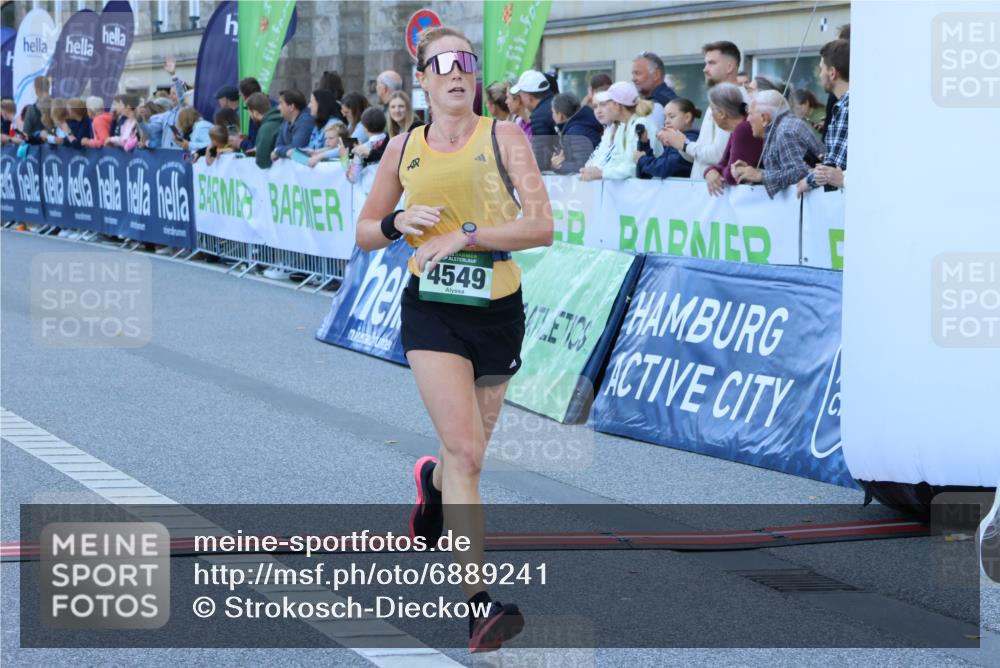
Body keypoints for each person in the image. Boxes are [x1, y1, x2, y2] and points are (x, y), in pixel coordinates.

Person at [355, 26, 551, 653]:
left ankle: (432, 485)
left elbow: (540, 226)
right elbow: (363, 231)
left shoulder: (505, 135)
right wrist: (394, 222)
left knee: (467, 458)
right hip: (432, 310)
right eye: (441, 63)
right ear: (423, 78)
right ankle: (479, 606)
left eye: (465, 60)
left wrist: (465, 235)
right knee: (467, 453)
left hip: (498, 308)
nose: (455, 71)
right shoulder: (402, 149)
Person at [667, 41, 745, 179]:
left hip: (716, 193)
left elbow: (719, 155)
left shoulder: (733, 100)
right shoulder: (718, 99)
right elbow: (700, 157)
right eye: (706, 63)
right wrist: (678, 142)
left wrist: (686, 145)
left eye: (712, 63)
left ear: (729, 67)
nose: (705, 69)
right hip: (703, 192)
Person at [731, 90, 823, 198]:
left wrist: (760, 175)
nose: (748, 119)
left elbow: (801, 173)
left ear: (764, 118)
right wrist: (753, 173)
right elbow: (788, 171)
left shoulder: (785, 132)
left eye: (751, 113)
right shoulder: (782, 126)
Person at [579, 81, 662, 181]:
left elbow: (635, 166)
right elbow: (617, 161)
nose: (601, 110)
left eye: (606, 104)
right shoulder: (622, 126)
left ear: (617, 105)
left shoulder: (642, 124)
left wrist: (602, 173)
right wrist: (595, 171)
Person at [801, 38, 849, 193]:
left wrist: (806, 182)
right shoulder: (845, 104)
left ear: (832, 73)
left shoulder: (846, 106)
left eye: (821, 68)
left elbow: (835, 166)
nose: (820, 74)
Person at [700, 83, 761, 195]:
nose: (711, 116)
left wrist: (718, 172)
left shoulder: (744, 128)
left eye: (712, 110)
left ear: (722, 113)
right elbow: (723, 163)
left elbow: (734, 175)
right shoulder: (738, 128)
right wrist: (710, 171)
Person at [636, 98, 701, 179]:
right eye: (665, 118)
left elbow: (664, 168)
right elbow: (652, 171)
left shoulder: (691, 140)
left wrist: (642, 159)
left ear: (687, 117)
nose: (666, 121)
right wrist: (645, 144)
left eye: (671, 116)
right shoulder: (672, 141)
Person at [510, 70, 556, 170]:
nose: (521, 99)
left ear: (529, 97)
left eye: (521, 95)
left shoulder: (539, 116)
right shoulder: (554, 103)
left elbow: (541, 157)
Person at [550, 92, 603, 175]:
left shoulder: (576, 132)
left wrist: (558, 165)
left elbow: (582, 165)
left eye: (553, 112)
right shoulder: (578, 127)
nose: (552, 116)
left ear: (560, 115)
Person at [632, 51, 676, 131]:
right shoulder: (665, 98)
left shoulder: (658, 103)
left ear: (656, 75)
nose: (633, 79)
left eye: (638, 73)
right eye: (633, 74)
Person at [272, 89, 314, 161]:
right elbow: (278, 145)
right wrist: (280, 151)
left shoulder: (306, 121)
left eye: (281, 103)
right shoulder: (286, 120)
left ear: (291, 107)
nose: (278, 107)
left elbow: (296, 149)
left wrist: (278, 152)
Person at [247, 92, 283, 169]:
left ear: (256, 113)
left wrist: (259, 152)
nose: (250, 117)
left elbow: (262, 162)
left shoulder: (266, 128)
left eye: (250, 114)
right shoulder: (284, 119)